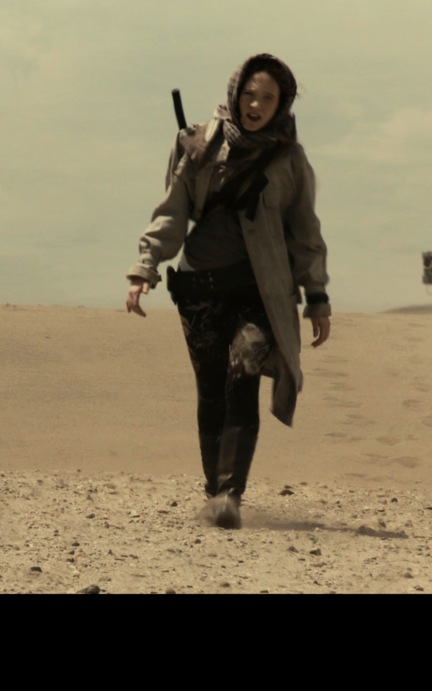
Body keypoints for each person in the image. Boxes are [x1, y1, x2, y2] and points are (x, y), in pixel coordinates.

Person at [125, 53, 331, 530]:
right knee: (212, 389)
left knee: (243, 374)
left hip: (260, 292)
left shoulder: (289, 159)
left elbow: (306, 233)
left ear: (282, 104)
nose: (255, 105)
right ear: (235, 93)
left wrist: (317, 297)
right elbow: (172, 212)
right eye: (249, 95)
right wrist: (145, 267)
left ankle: (230, 495)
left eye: (267, 98)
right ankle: (214, 489)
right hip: (199, 289)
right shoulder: (197, 143)